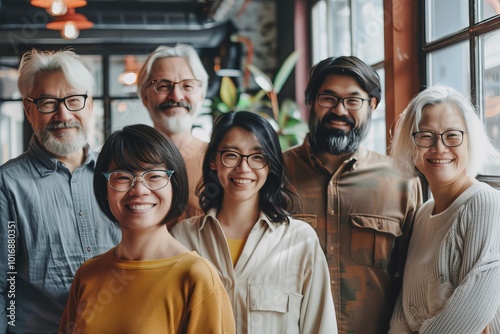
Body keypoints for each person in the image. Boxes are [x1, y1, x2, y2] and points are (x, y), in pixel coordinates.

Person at [282, 56, 423, 334]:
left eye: (353, 100)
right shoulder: (275, 174)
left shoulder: (401, 181)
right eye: (328, 98)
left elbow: (414, 280)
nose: (339, 110)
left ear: (372, 105)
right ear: (310, 101)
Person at [171, 111, 337, 333]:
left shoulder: (299, 239)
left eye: (258, 156)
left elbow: (320, 327)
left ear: (271, 165)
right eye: (231, 155)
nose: (243, 168)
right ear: (213, 160)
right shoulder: (182, 238)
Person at [59, 124, 235, 333]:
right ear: (105, 188)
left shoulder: (198, 278)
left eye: (154, 176)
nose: (139, 190)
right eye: (123, 177)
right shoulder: (88, 274)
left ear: (174, 185)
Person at [0, 48, 120, 333]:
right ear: (30, 111)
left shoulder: (118, 174)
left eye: (74, 100)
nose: (63, 114)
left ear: (89, 106)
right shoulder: (8, 185)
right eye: (48, 102)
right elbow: (5, 285)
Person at [389, 85, 500, 334]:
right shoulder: (421, 215)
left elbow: (474, 312)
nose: (439, 147)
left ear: (469, 141)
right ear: (411, 143)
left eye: (452, 135)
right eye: (426, 135)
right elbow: (404, 305)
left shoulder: (485, 203)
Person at [137, 44, 208, 227]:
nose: (176, 96)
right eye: (163, 86)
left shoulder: (219, 160)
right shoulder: (129, 162)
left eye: (187, 86)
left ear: (200, 95)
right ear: (145, 96)